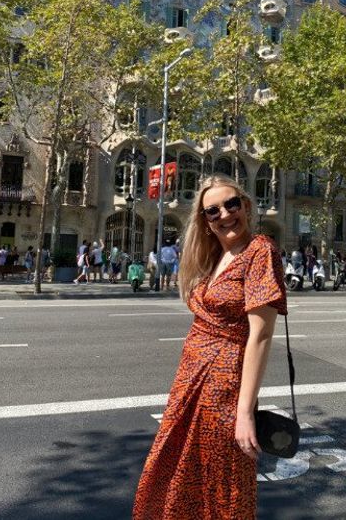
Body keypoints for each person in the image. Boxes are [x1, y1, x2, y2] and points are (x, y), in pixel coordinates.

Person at [133, 175, 286, 519]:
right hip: (190, 381)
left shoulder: (259, 250)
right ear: (204, 221)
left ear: (246, 206)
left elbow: (259, 336)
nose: (225, 214)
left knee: (221, 483)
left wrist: (244, 412)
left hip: (223, 387)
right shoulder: (217, 256)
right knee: (178, 471)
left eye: (232, 204)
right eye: (212, 210)